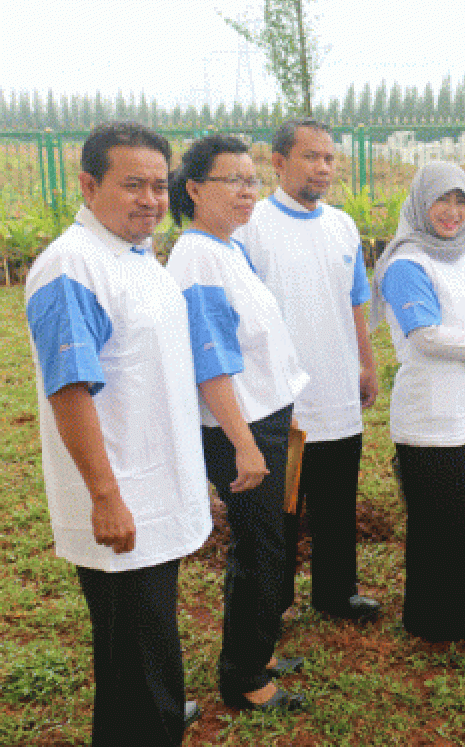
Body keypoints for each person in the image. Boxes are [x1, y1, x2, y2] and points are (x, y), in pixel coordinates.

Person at [24, 122, 211, 746]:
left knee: (144, 647)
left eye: (160, 186)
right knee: (136, 651)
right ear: (88, 184)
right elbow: (68, 391)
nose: (152, 201)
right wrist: (105, 495)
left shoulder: (135, 257)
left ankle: (150, 716)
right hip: (122, 497)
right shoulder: (73, 266)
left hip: (155, 488)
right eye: (133, 185)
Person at [165, 135, 309, 710]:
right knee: (259, 549)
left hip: (269, 417)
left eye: (253, 180)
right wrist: (245, 445)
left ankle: (261, 648)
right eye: (233, 181)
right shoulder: (198, 257)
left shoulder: (228, 247)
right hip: (240, 429)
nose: (248, 192)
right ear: (196, 189)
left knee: (273, 542)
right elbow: (210, 363)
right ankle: (246, 678)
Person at [371, 161, 465, 640]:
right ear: (421, 203)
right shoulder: (406, 263)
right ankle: (438, 619)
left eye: (462, 201)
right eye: (443, 200)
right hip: (432, 417)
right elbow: (426, 336)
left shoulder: (463, 259)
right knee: (441, 521)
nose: (453, 212)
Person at [237, 118, 382, 623]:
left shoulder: (342, 225)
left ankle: (336, 594)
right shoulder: (251, 227)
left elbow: (355, 302)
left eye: (329, 158)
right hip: (282, 401)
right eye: (311, 157)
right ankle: (273, 603)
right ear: (278, 163)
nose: (323, 167)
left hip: (338, 388)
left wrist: (366, 362)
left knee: (337, 502)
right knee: (283, 508)